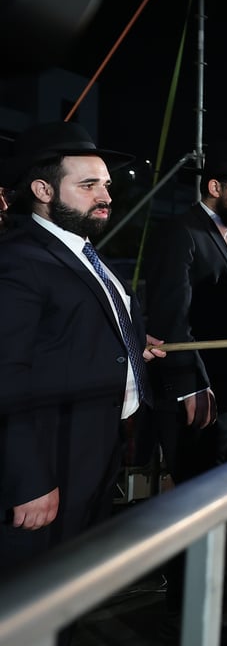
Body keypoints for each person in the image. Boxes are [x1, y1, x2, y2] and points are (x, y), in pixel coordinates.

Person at [0, 122, 164, 570]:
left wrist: (130, 344)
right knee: (30, 599)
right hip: (47, 461)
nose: (105, 196)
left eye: (106, 185)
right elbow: (6, 373)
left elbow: (68, 328)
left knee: (70, 587)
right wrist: (29, 479)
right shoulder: (18, 260)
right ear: (43, 190)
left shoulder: (82, 251)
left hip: (95, 450)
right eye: (88, 184)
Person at [143, 141, 227, 620]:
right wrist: (190, 385)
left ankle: (212, 580)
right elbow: (172, 319)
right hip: (203, 389)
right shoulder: (182, 233)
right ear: (215, 187)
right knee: (196, 489)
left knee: (221, 487)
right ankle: (187, 597)